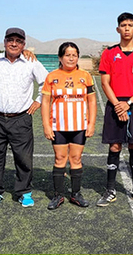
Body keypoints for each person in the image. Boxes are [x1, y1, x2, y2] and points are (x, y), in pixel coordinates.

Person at [0, 28, 48, 209]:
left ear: (23, 44)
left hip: (21, 118)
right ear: (4, 42)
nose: (14, 43)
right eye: (10, 40)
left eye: (18, 41)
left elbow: (47, 82)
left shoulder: (31, 62)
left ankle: (23, 192)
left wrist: (39, 101)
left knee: (24, 158)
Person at [96, 12, 133, 207]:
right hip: (115, 103)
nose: (127, 28)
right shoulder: (109, 53)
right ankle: (110, 190)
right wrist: (118, 104)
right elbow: (105, 83)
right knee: (114, 146)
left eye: (130, 25)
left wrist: (128, 103)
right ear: (118, 29)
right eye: (123, 25)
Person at [41, 42, 96, 209]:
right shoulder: (52, 76)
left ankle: (76, 194)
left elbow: (92, 101)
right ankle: (58, 195)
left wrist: (91, 123)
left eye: (74, 55)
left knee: (76, 159)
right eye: (67, 55)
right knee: (60, 159)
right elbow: (45, 102)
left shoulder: (85, 76)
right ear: (60, 57)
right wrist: (46, 125)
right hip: (58, 126)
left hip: (79, 126)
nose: (71, 58)